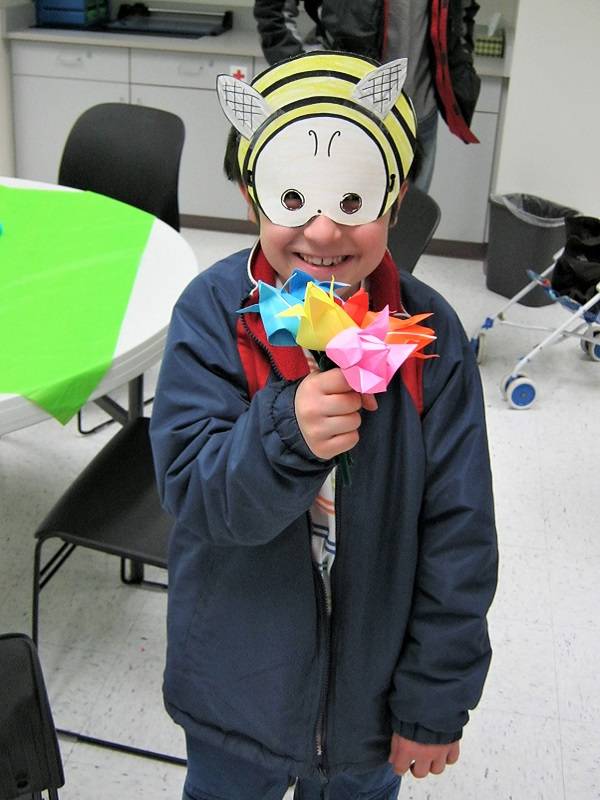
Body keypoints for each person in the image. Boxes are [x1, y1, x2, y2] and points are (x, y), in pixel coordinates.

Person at [150, 51, 497, 800]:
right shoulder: (212, 315)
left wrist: (434, 698)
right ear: (253, 199)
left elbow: (460, 535)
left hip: (369, 709)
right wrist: (285, 434)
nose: (320, 230)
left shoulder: (428, 338)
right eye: (292, 198)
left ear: (396, 199)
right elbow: (194, 494)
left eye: (352, 200)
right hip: (235, 690)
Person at [253, 0, 481, 191]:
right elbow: (273, 12)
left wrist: (462, 61)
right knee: (336, 217)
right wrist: (306, 74)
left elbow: (461, 14)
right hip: (345, 110)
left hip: (419, 116)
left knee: (409, 223)